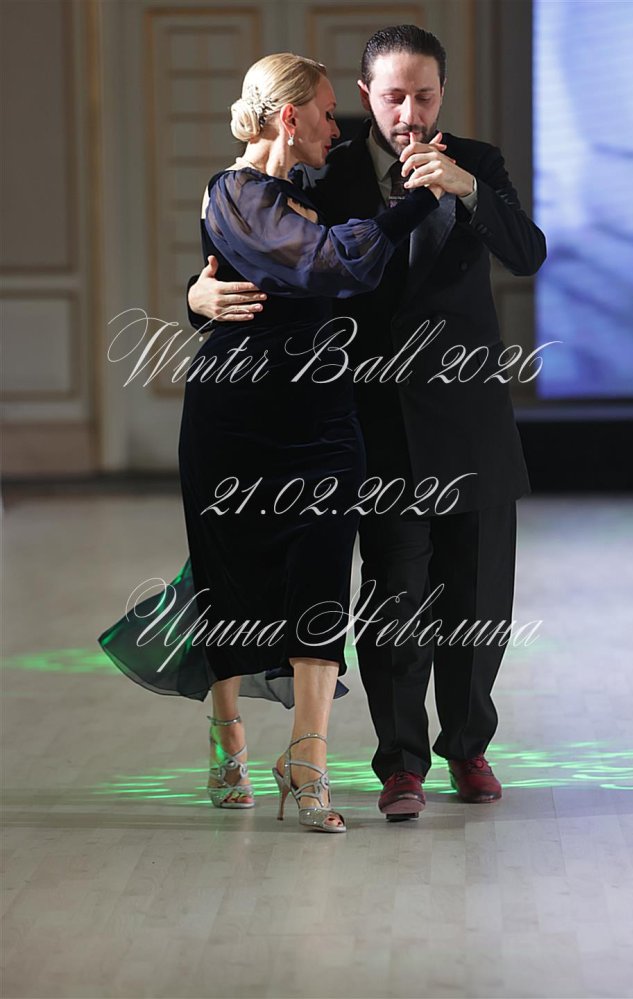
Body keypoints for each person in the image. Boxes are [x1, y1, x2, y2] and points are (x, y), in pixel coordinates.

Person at [187, 25, 547, 820]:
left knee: (479, 597)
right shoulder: (326, 163)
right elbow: (255, 248)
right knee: (393, 598)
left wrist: (467, 190)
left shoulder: (478, 161)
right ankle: (400, 764)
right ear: (364, 96)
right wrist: (194, 296)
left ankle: (469, 747)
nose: (409, 112)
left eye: (424, 95)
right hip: (369, 415)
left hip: (469, 415)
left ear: (443, 92)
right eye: (393, 96)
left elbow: (528, 253)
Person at [99, 51, 447, 834]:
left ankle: (308, 760)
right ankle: (227, 737)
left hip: (323, 416)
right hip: (235, 415)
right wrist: (195, 296)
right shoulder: (233, 191)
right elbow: (331, 262)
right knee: (230, 578)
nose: (338, 128)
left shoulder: (314, 188)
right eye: (326, 112)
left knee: (323, 576)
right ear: (289, 116)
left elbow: (327, 262)